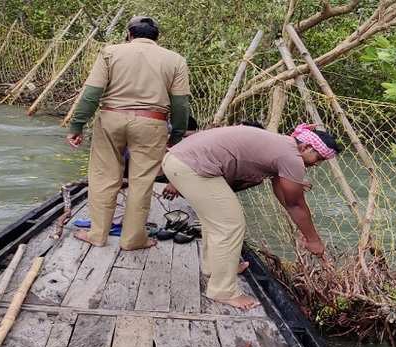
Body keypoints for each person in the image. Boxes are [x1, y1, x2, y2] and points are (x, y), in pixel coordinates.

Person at [161, 123, 341, 309]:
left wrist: (305, 230)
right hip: (190, 166)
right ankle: (223, 290)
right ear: (305, 147)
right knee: (230, 224)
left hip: (180, 160)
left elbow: (284, 195)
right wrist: (313, 240)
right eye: (318, 158)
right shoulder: (292, 157)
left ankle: (216, 269)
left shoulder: (283, 147)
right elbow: (295, 204)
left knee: (215, 220)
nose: (317, 164)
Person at [66, 16, 190, 250]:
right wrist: (177, 135)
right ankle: (133, 239)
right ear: (156, 38)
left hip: (111, 118)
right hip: (152, 122)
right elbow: (181, 104)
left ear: (129, 34)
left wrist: (77, 126)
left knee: (104, 178)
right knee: (141, 182)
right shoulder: (175, 60)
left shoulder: (110, 52)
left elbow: (92, 94)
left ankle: (97, 234)